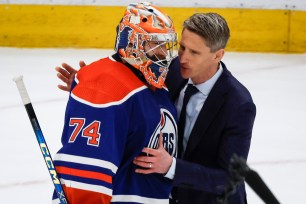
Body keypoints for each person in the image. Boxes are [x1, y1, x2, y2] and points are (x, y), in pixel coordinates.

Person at [56, 12, 256, 204]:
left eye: (194, 52)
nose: (183, 58)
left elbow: (230, 179)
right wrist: (94, 85)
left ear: (217, 55)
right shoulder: (173, 69)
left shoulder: (238, 104)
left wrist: (171, 167)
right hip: (162, 195)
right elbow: (133, 78)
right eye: (182, 47)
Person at [52, 2, 178, 204]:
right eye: (155, 45)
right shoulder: (105, 87)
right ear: (132, 43)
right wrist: (91, 87)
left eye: (165, 45)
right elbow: (85, 177)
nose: (163, 53)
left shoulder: (154, 85)